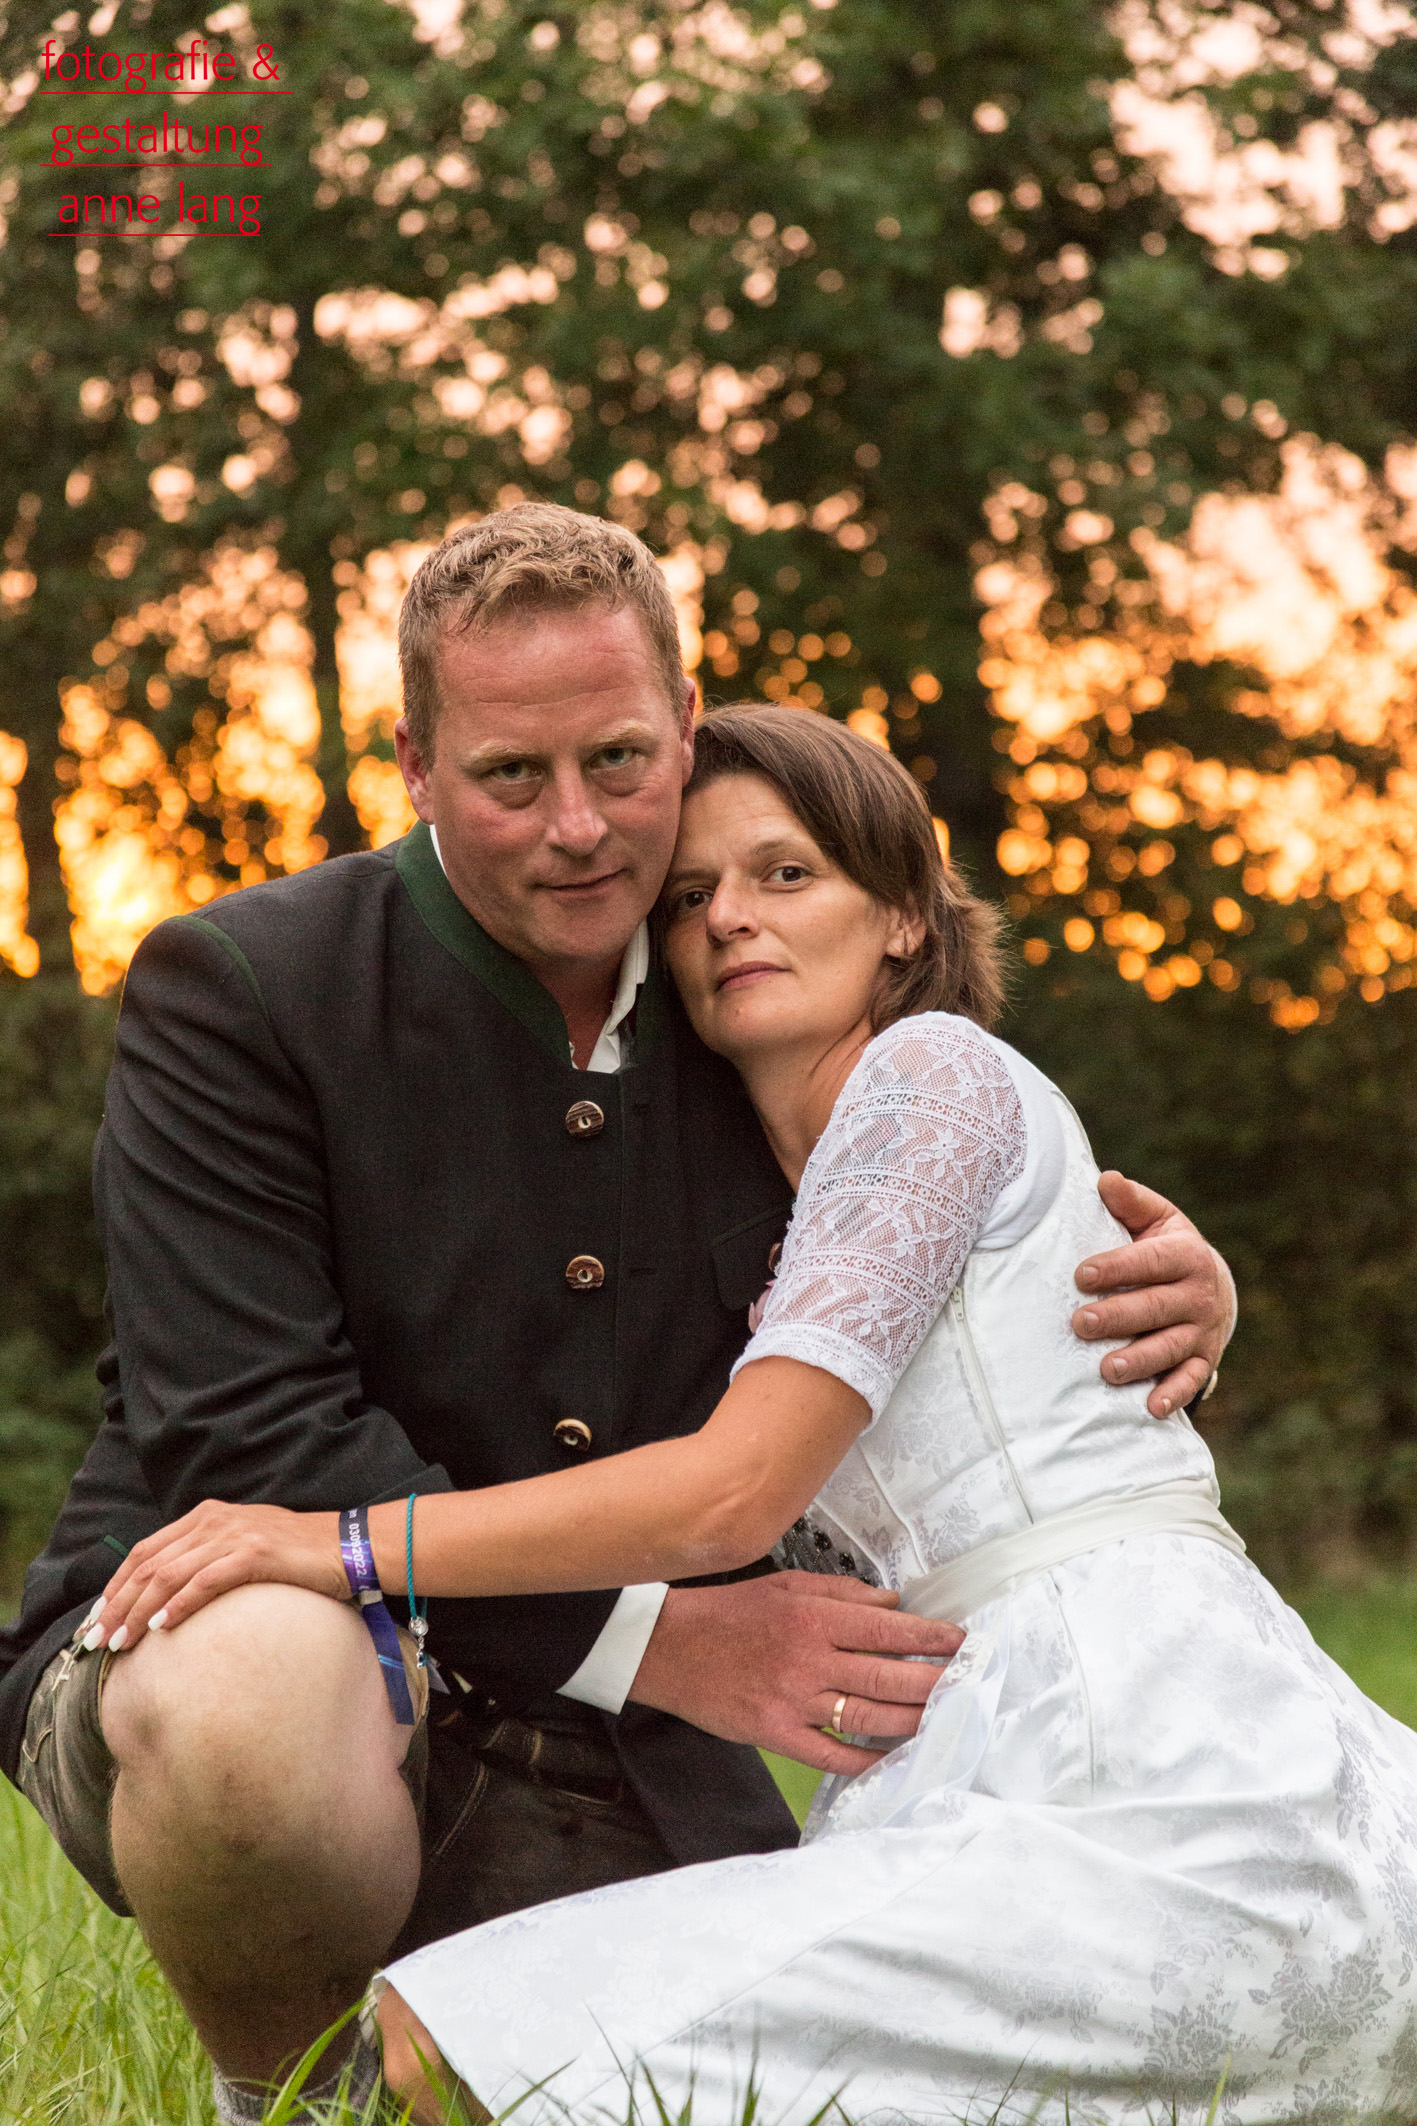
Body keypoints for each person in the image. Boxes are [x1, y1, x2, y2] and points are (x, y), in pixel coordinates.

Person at [3, 507, 1233, 2122]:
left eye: (620, 761)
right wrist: (656, 1637)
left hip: (625, 1728)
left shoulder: (764, 995)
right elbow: (248, 1429)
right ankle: (275, 2093)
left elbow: (944, 1264)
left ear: (684, 724)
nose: (577, 827)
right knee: (256, 1685)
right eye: (510, 775)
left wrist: (1177, 1285)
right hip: (265, 1634)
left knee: (732, 2074)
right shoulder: (242, 986)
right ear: (414, 764)